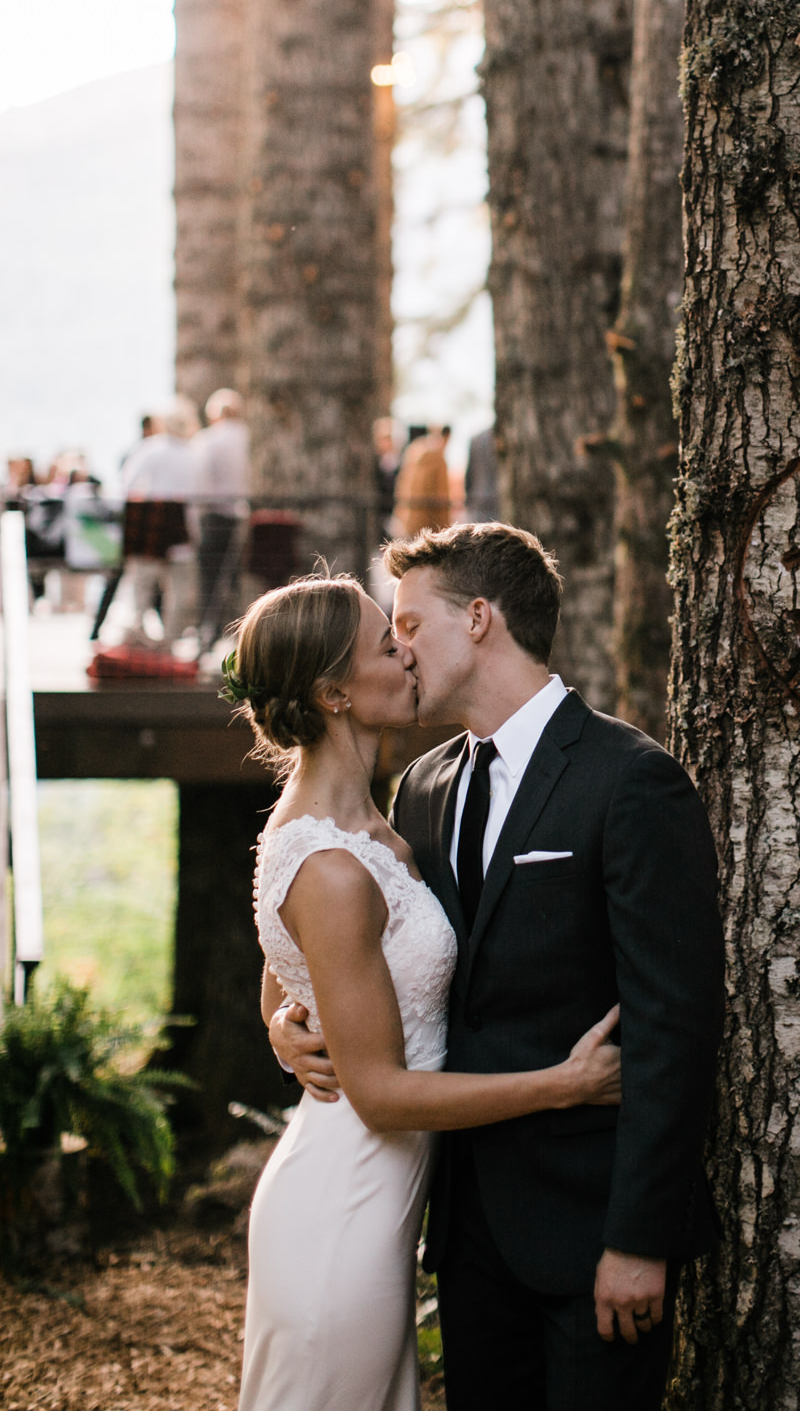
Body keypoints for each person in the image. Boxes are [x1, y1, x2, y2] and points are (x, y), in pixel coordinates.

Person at [273, 523, 725, 1411]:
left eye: (406, 623)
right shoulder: (425, 788)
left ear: (478, 618)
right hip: (465, 1231)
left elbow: (675, 1028)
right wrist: (286, 1020)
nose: (396, 648)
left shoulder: (630, 780)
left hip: (593, 1234)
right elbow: (350, 941)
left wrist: (640, 1240)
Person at [233, 572, 623, 1411]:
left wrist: (278, 1023)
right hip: (344, 1210)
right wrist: (565, 1085)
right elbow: (375, 1092)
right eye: (386, 643)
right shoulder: (331, 864)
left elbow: (285, 974)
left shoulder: (371, 820)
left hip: (387, 1209)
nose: (406, 652)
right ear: (335, 693)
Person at [120, 397, 199, 645]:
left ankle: (138, 633)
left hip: (151, 528)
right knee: (178, 589)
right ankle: (169, 641)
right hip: (180, 529)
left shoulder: (150, 449)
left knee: (142, 585)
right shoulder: (193, 454)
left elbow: (128, 485)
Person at [191, 387, 250, 653]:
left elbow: (199, 482)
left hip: (214, 516)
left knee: (210, 578)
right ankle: (239, 632)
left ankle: (209, 632)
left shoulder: (207, 440)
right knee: (237, 577)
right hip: (242, 515)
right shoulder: (248, 438)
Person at [393, 423, 452, 537]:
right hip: (426, 523)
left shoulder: (413, 449)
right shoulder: (435, 457)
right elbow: (440, 495)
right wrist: (444, 529)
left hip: (408, 517)